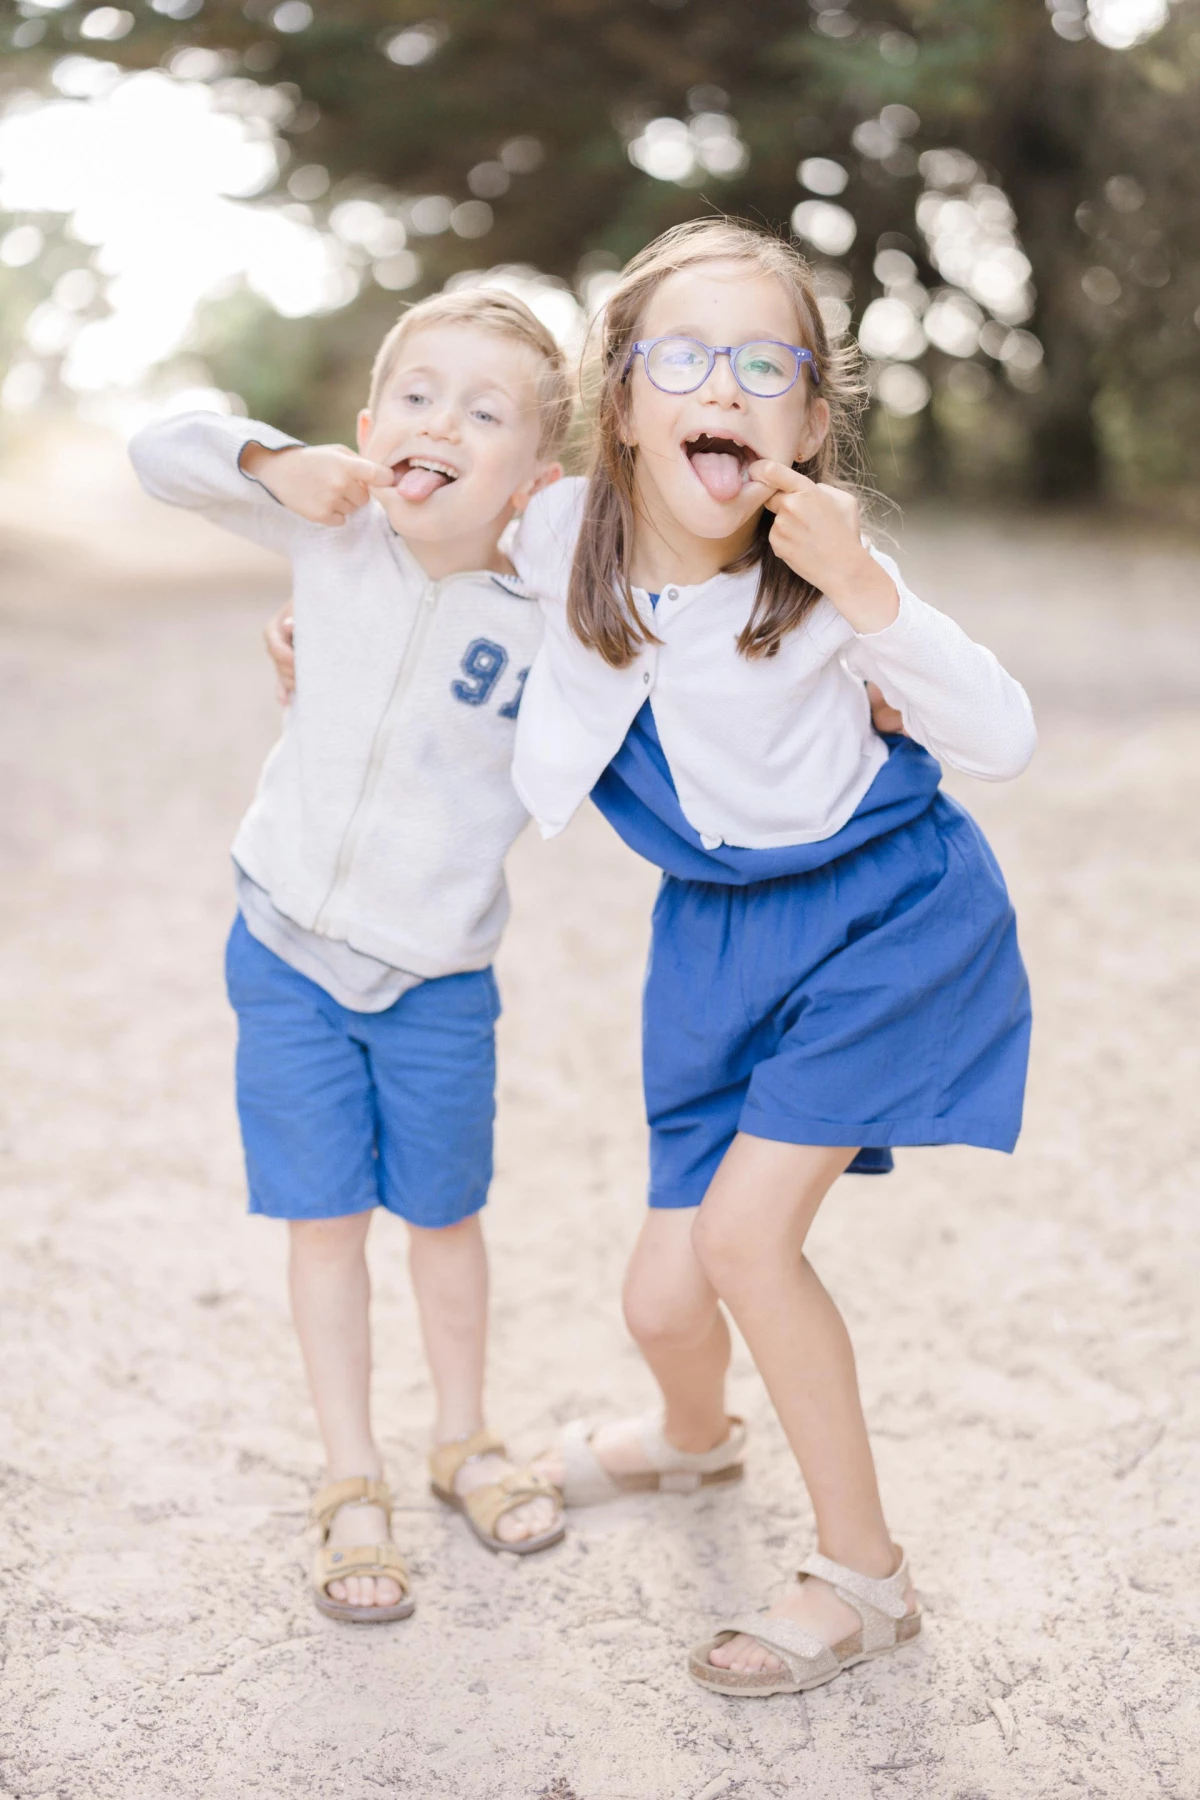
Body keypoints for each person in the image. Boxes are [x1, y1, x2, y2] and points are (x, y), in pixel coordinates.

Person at [508, 218, 1036, 1698]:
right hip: (717, 940)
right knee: (665, 1302)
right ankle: (694, 1442)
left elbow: (1002, 737)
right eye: (683, 357)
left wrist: (867, 590)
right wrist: (317, 600)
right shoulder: (560, 539)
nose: (723, 386)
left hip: (888, 921)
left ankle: (868, 1578)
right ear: (622, 402)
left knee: (746, 1242)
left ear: (809, 422)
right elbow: (408, 538)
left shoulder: (826, 578)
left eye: (765, 363)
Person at [128, 289, 573, 1625]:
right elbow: (159, 449)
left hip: (439, 976)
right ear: (373, 430)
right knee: (324, 1225)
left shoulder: (548, 616)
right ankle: (349, 1474)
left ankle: (464, 1439)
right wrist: (276, 460)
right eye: (418, 398)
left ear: (532, 482)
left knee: (444, 1219)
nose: (443, 424)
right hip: (286, 948)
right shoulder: (331, 530)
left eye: (485, 413)